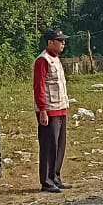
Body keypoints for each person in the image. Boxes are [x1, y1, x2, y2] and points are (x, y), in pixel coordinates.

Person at [33, 28, 71, 193]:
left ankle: (55, 177)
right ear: (50, 42)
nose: (63, 43)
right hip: (49, 110)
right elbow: (39, 87)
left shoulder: (56, 59)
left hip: (61, 108)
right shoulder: (43, 60)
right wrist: (42, 110)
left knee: (60, 145)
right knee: (49, 146)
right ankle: (47, 181)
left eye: (63, 40)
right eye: (60, 40)